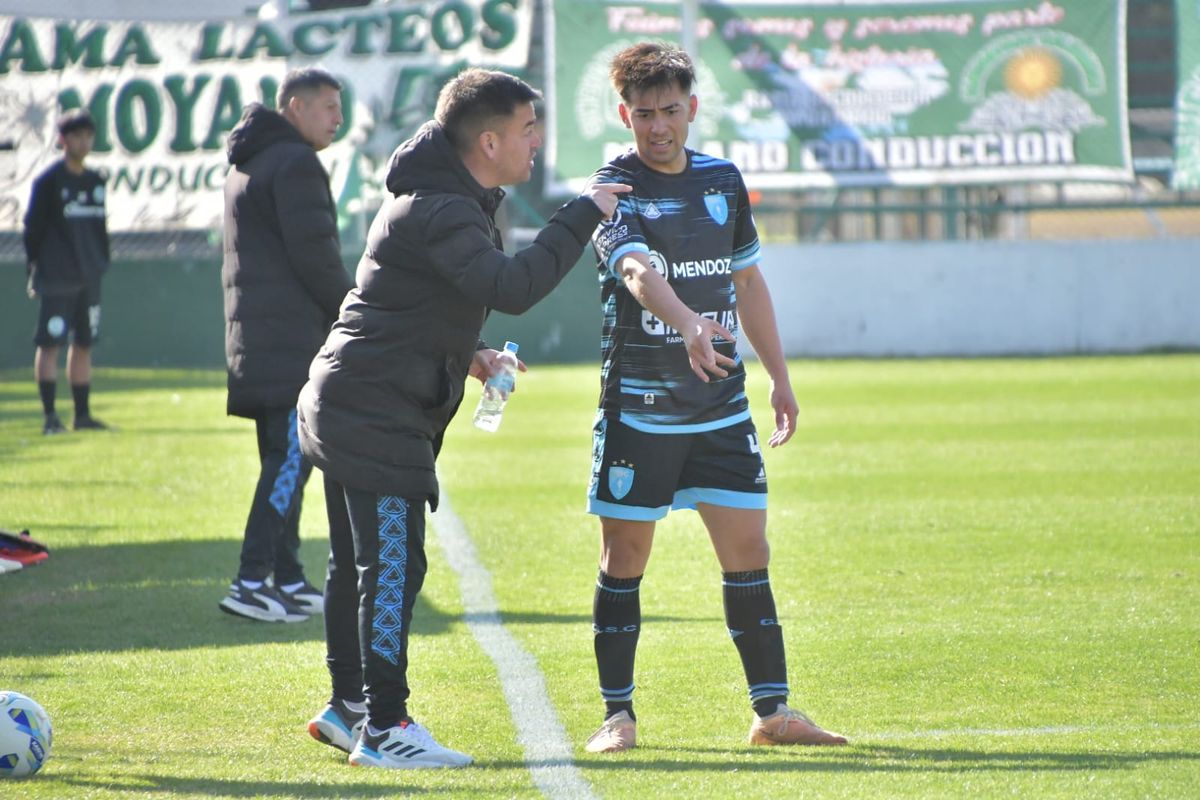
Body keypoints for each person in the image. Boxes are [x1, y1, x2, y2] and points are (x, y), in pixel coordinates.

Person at [296, 68, 628, 769]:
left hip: (350, 397)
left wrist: (469, 352)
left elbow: (411, 302)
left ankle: (349, 707)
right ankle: (385, 727)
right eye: (527, 130)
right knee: (391, 566)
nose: (536, 142)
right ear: (488, 141)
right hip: (373, 411)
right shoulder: (444, 206)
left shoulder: (448, 197)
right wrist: (582, 214)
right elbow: (513, 286)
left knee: (360, 563)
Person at [581, 42, 848, 753]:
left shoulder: (723, 180)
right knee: (624, 556)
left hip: (721, 409)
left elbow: (748, 283)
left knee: (749, 549)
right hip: (640, 410)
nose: (658, 126)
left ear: (692, 108)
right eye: (644, 114)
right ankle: (617, 716)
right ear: (625, 116)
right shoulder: (613, 187)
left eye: (670, 110)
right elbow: (636, 272)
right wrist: (689, 323)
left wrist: (779, 377)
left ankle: (773, 714)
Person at [218, 67, 354, 624]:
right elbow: (316, 258)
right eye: (329, 107)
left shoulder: (250, 161)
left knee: (284, 461)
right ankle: (250, 581)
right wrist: (358, 313)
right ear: (296, 106)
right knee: (289, 462)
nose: (339, 119)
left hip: (259, 342)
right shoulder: (296, 162)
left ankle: (287, 577)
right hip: (290, 344)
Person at [23, 109, 110, 435]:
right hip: (57, 276)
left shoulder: (95, 181)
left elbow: (100, 228)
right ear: (63, 140)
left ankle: (82, 415)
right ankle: (50, 418)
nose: (83, 142)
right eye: (76, 136)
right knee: (50, 344)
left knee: (84, 343)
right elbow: (33, 229)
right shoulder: (48, 182)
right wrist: (35, 268)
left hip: (89, 275)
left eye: (88, 136)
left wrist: (101, 261)